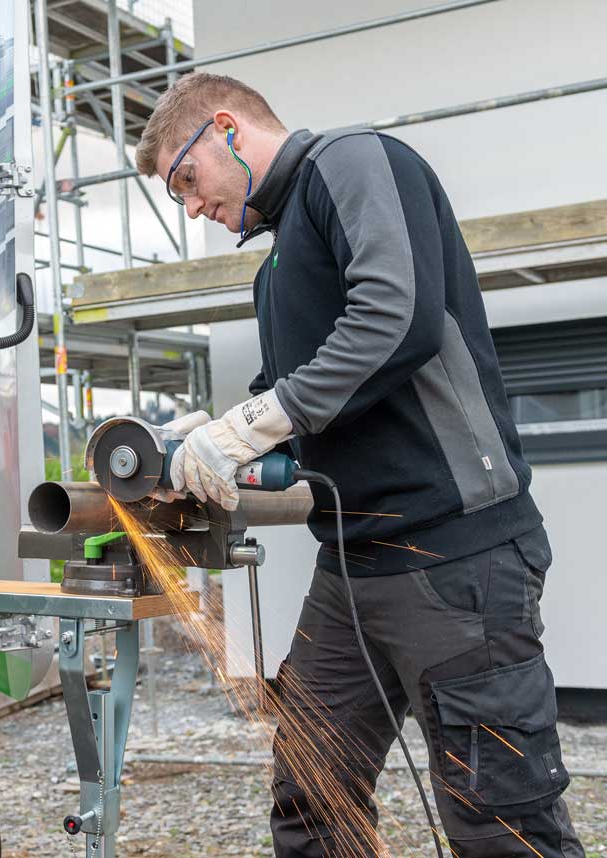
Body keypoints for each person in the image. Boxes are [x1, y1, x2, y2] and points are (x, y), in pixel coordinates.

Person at [133, 73, 584, 858]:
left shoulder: (352, 163)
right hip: (352, 567)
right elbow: (298, 400)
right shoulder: (275, 269)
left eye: (186, 179)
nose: (193, 207)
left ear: (228, 130)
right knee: (312, 798)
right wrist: (211, 438)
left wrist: (254, 422)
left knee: (503, 821)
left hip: (455, 556)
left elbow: (394, 318)